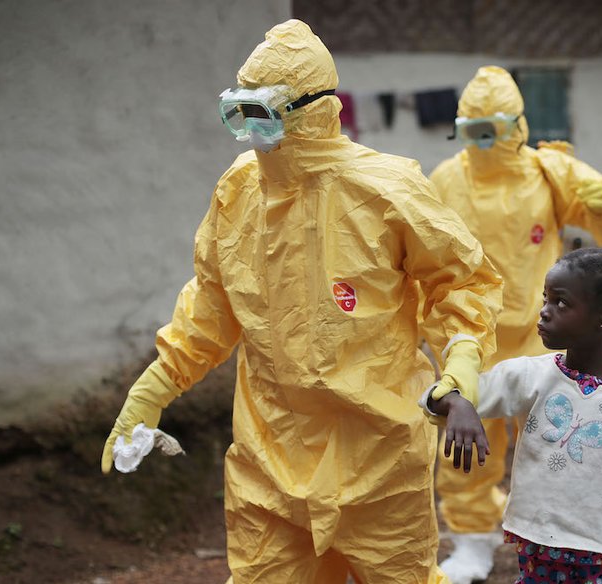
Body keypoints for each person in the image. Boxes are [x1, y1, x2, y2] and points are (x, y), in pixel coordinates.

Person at [100, 20, 503, 584]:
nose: (250, 131)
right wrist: (155, 387)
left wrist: (460, 369)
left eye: (262, 113)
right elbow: (210, 306)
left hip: (378, 459)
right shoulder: (240, 190)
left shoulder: (385, 189)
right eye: (239, 113)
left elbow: (461, 281)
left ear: (314, 109)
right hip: (270, 461)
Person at [428, 65, 602, 583]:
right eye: (472, 129)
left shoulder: (549, 171)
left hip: (542, 334)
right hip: (471, 337)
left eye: (492, 129)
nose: (482, 141)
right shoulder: (444, 180)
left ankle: (560, 535)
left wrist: (601, 204)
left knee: (553, 439)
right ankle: (474, 542)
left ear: (516, 127)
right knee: (464, 442)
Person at [424, 248, 602, 584]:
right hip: (538, 557)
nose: (544, 313)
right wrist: (457, 403)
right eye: (545, 299)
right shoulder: (528, 377)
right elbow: (433, 398)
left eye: (560, 303)